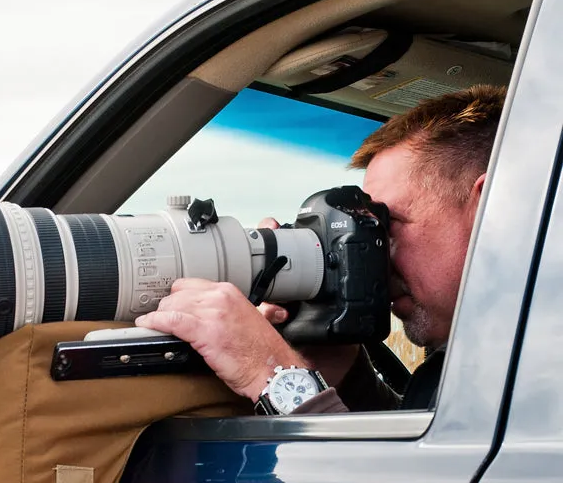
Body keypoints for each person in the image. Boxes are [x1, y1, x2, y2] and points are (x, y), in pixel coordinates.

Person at [134, 84, 506, 414]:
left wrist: (270, 374)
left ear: (491, 207)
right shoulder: (487, 357)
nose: (374, 256)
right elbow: (433, 454)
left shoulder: (540, 356)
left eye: (387, 226)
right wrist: (339, 372)